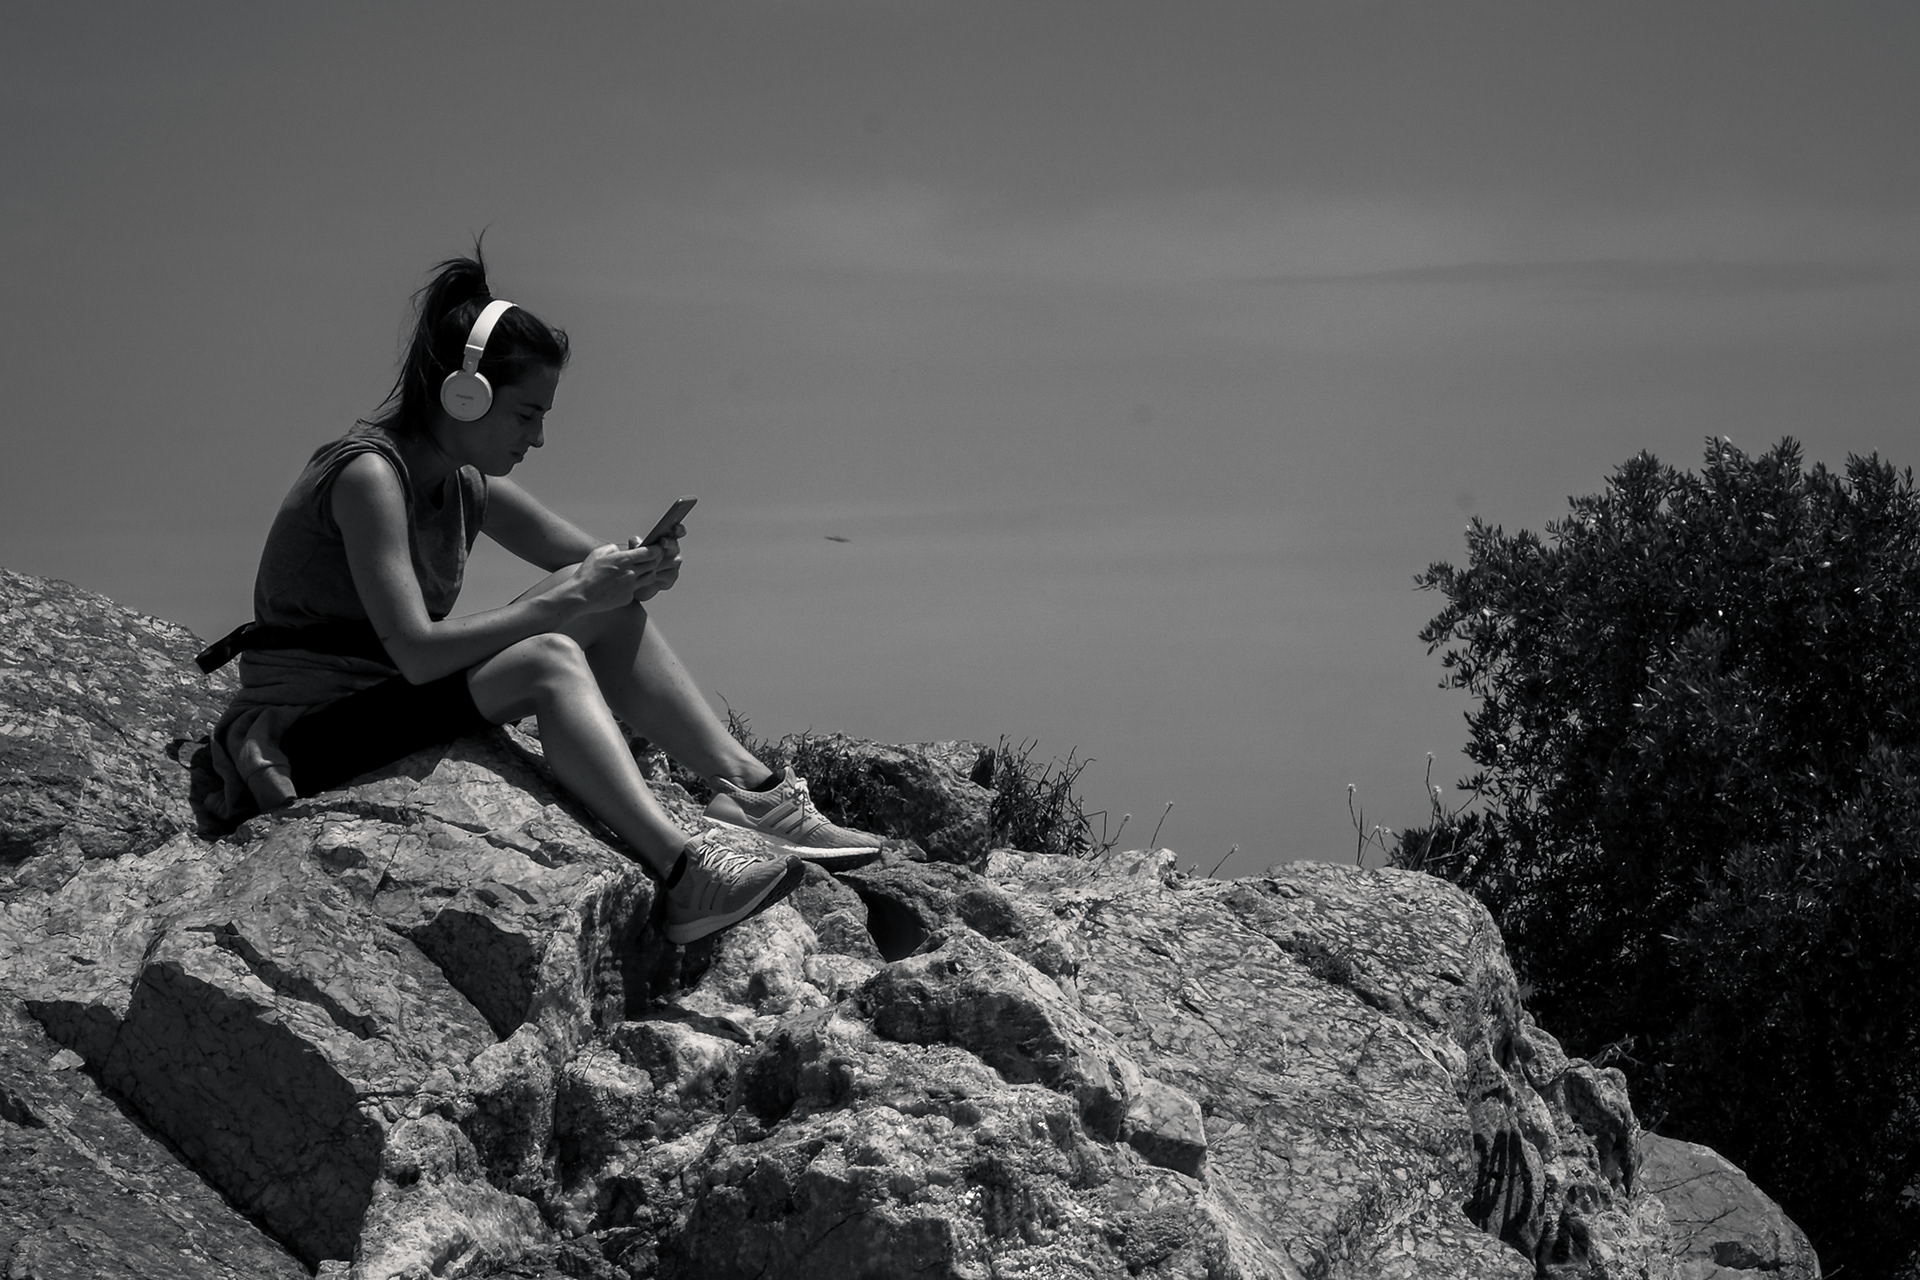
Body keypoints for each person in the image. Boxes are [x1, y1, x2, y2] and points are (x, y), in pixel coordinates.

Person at [201, 250, 883, 944]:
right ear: (465, 395)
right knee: (550, 657)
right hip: (310, 733)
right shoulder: (369, 477)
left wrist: (638, 571)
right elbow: (415, 653)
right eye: (527, 414)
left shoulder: (464, 482)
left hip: (383, 703)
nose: (539, 437)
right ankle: (685, 874)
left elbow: (587, 568)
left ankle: (753, 794)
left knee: (601, 602)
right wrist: (570, 599)